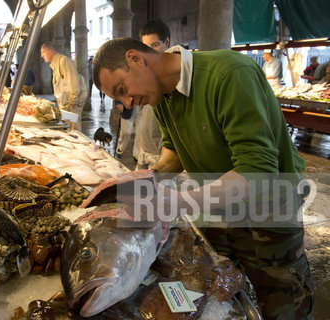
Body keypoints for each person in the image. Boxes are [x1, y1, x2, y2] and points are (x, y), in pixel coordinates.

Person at [92, 38, 314, 320]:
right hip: (217, 207)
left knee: (283, 301)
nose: (127, 103)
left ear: (136, 59)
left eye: (122, 90)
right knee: (214, 294)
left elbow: (258, 169)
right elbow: (174, 153)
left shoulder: (230, 74)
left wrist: (179, 202)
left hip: (268, 212)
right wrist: (142, 183)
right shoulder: (161, 95)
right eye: (118, 99)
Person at [134, 19, 169, 169]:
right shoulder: (146, 74)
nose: (150, 52)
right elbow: (143, 114)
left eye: (155, 45)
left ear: (166, 43)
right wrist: (141, 144)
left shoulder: (172, 77)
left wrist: (165, 155)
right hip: (145, 150)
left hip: (164, 154)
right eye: (145, 47)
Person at [41, 41, 87, 130]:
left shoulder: (63, 60)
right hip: (66, 103)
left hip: (72, 104)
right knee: (68, 126)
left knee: (74, 128)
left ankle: (77, 143)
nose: (41, 56)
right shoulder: (56, 63)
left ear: (51, 51)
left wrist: (73, 100)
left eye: (43, 52)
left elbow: (73, 81)